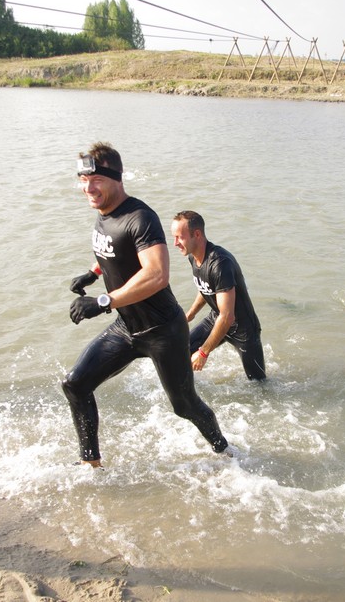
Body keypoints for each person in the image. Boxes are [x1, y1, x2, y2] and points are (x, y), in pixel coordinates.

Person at [62, 143, 232, 467]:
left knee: (184, 405)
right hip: (126, 327)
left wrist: (104, 301)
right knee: (75, 384)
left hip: (163, 331)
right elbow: (118, 251)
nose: (88, 188)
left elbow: (156, 274)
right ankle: (90, 465)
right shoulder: (104, 215)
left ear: (117, 178)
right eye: (83, 180)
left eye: (96, 180)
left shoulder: (140, 217)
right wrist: (92, 273)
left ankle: (225, 451)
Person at [171, 211, 266, 381]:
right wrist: (189, 315)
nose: (175, 243)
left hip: (243, 330)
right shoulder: (193, 257)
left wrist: (203, 353)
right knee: (179, 354)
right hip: (216, 318)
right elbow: (206, 287)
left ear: (197, 234)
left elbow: (228, 317)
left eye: (179, 237)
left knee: (259, 384)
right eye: (174, 238)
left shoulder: (220, 263)